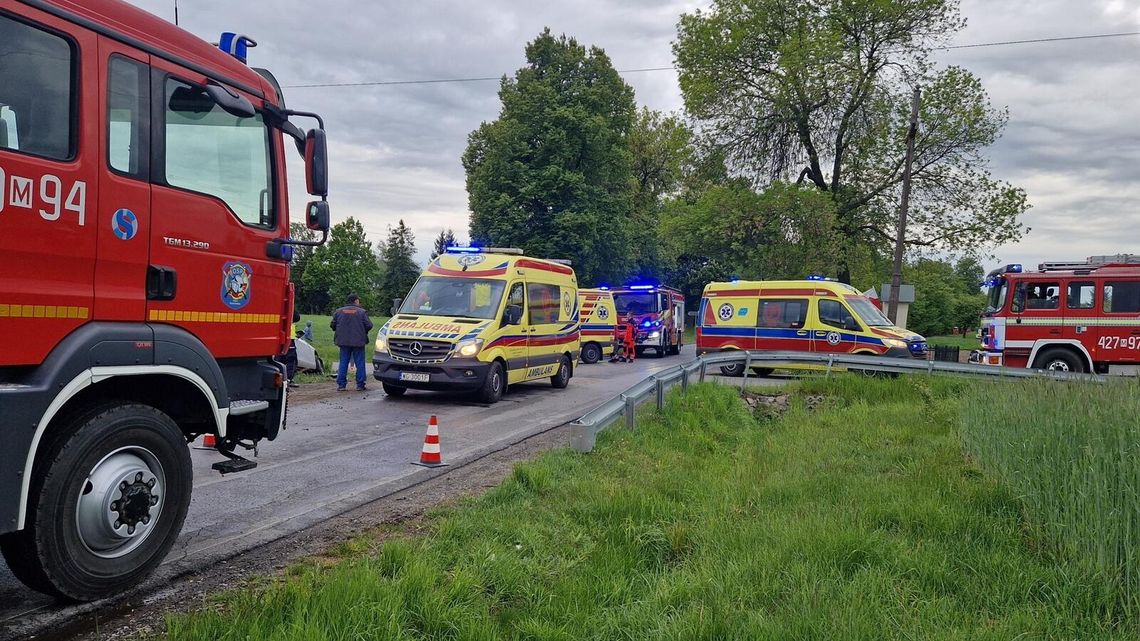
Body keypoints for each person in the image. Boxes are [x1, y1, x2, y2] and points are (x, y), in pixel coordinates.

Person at [331, 294, 373, 391]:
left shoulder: (339, 311)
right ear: (356, 301)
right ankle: (360, 385)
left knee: (343, 362)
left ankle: (341, 385)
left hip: (343, 341)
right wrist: (362, 331)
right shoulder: (362, 312)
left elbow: (333, 325)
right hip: (358, 341)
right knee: (360, 362)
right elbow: (369, 325)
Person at [284, 310, 301, 388]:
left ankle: (282, 379)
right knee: (292, 360)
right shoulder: (289, 309)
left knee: (280, 360)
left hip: (280, 337)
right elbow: (297, 317)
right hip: (289, 338)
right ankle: (288, 379)